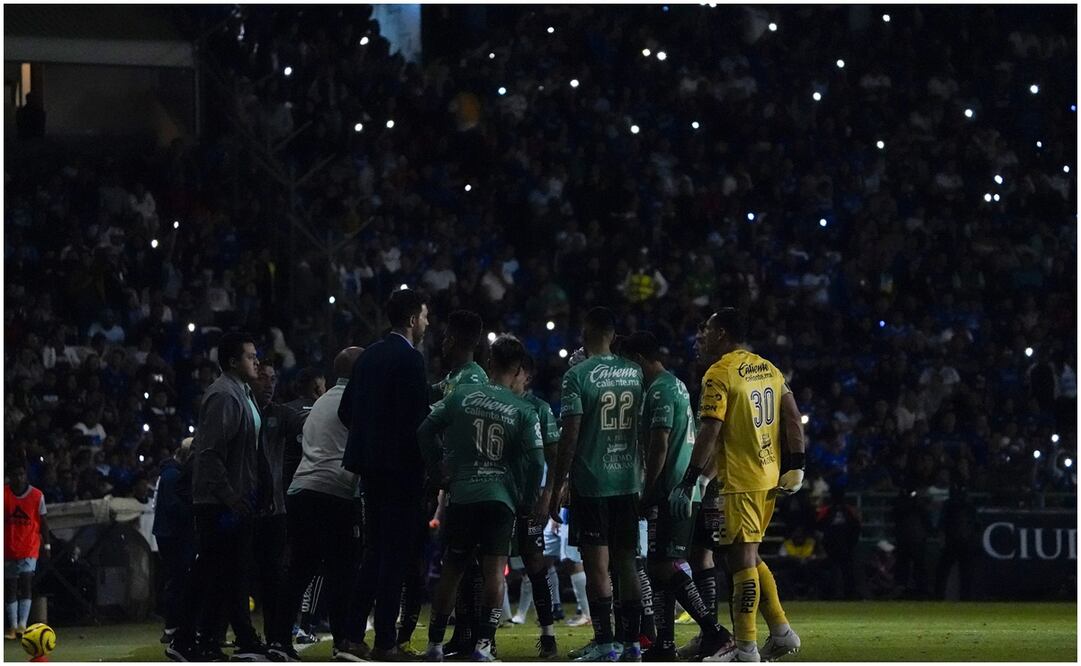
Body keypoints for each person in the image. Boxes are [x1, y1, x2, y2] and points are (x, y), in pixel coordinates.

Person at [670, 308, 805, 662]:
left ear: (722, 334)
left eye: (708, 330)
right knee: (745, 555)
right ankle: (781, 632)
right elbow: (792, 416)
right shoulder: (769, 367)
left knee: (741, 561)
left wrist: (691, 478)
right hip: (769, 476)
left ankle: (746, 648)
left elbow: (711, 430)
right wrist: (797, 465)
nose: (701, 337)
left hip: (741, 479)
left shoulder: (720, 373)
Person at [418, 335, 545, 662]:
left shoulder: (461, 395)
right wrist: (528, 501)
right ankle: (483, 646)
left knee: (452, 571)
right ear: (518, 370)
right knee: (494, 572)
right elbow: (538, 461)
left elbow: (424, 430)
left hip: (463, 495)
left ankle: (434, 646)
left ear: (489, 363)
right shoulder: (523, 409)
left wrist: (436, 469)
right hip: (500, 500)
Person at [621, 331, 735, 661]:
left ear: (639, 360)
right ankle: (665, 645)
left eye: (628, 363)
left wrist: (651, 488)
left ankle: (714, 632)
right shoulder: (675, 384)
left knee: (663, 566)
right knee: (660, 568)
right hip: (680, 488)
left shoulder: (659, 390)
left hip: (670, 490)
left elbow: (659, 443)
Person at [546, 307, 645, 662]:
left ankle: (606, 644)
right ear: (613, 335)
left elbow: (569, 435)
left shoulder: (577, 375)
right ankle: (632, 644)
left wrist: (558, 482)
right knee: (627, 563)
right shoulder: (635, 373)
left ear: (585, 333)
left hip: (593, 481)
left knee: (597, 567)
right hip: (629, 481)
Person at [167, 332, 271, 662]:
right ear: (231, 362)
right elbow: (209, 453)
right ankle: (185, 638)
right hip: (219, 502)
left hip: (235, 497)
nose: (256, 361)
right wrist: (229, 495)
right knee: (212, 571)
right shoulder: (225, 396)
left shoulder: (242, 394)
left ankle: (209, 639)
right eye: (250, 356)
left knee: (226, 572)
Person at [339, 289, 430, 660]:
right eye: (424, 316)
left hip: (369, 470)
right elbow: (418, 422)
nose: (426, 323)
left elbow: (346, 410)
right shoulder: (410, 360)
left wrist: (370, 441)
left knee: (375, 553)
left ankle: (350, 635)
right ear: (411, 320)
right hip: (401, 472)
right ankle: (386, 642)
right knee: (394, 556)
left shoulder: (368, 355)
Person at [278, 347, 366, 661]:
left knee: (300, 569)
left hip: (302, 490)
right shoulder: (356, 400)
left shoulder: (321, 402)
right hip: (335, 492)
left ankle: (279, 640)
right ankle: (343, 641)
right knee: (343, 570)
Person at [430, 310, 489, 659]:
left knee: (469, 563)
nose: (442, 341)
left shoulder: (472, 379)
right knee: (464, 563)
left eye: (446, 335)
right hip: (459, 483)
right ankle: (464, 635)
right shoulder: (455, 377)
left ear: (453, 339)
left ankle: (474, 636)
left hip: (470, 482)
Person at [508, 352, 561, 658]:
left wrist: (546, 495)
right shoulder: (495, 402)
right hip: (500, 496)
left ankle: (548, 634)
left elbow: (552, 458)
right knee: (488, 563)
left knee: (536, 564)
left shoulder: (539, 408)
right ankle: (477, 637)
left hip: (529, 500)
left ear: (525, 374)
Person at [249, 363, 296, 659]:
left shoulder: (283, 415)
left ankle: (274, 636)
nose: (268, 384)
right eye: (263, 378)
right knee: (243, 574)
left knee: (274, 577)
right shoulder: (241, 410)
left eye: (273, 378)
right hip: (245, 508)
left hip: (275, 510)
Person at [152, 438, 195, 646]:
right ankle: (172, 627)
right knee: (178, 581)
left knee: (177, 581)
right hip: (173, 535)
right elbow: (175, 507)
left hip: (167, 533)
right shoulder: (173, 475)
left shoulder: (168, 473)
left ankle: (175, 626)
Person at [4, 460, 49, 639]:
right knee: (10, 587)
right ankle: (12, 627)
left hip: (29, 546)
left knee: (26, 582)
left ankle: (23, 624)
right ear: (10, 476)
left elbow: (44, 522)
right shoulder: (4, 494)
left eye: (21, 474)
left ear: (26, 476)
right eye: (15, 475)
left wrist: (46, 545)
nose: (18, 478)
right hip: (7, 547)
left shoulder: (37, 495)